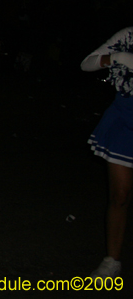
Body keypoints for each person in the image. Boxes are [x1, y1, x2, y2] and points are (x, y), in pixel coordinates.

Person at [82, 27, 133, 278]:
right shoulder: (128, 36)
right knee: (120, 194)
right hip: (125, 119)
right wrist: (119, 58)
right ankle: (112, 260)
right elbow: (87, 64)